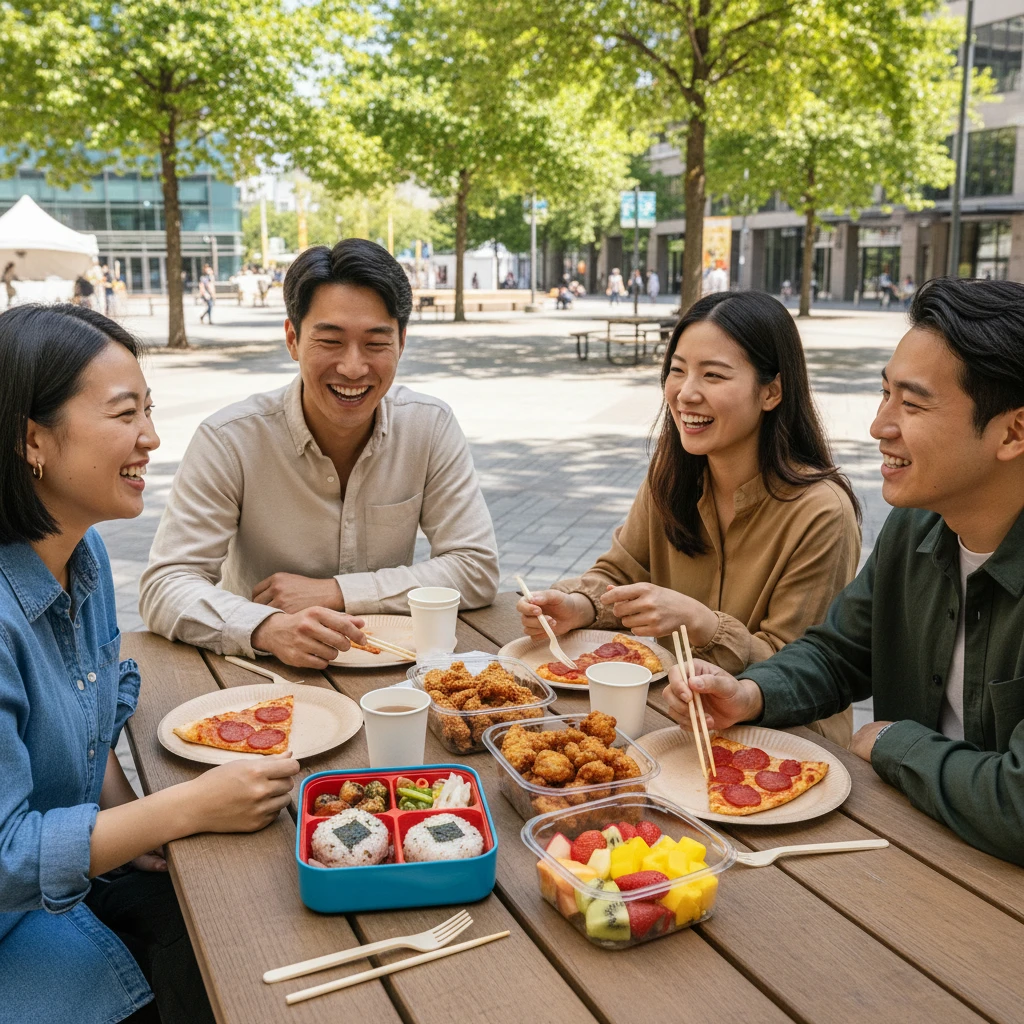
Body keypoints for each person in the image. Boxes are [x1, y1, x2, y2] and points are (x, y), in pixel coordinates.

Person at [0, 303, 301, 1023]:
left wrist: (130, 821)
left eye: (149, 409)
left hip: (73, 883)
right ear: (32, 439)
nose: (152, 437)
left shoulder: (85, 554)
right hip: (18, 924)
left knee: (248, 923)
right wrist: (184, 806)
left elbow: (92, 710)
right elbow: (7, 859)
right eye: (124, 413)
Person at [664, 278, 1024, 864]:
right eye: (885, 394)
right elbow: (839, 654)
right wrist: (749, 693)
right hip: (901, 841)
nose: (880, 426)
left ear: (1013, 432)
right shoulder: (915, 527)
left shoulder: (830, 509)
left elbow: (1018, 803)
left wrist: (894, 743)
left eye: (912, 404)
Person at [518, 290, 862, 746]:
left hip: (786, 743)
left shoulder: (822, 512)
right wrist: (578, 606)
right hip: (675, 720)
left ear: (771, 391)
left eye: (713, 375)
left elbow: (798, 671)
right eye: (677, 370)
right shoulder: (671, 475)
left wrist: (701, 623)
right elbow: (621, 572)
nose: (686, 393)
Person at [140, 239, 499, 668]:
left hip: (398, 668)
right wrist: (266, 627)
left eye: (376, 343)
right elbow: (166, 585)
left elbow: (475, 568)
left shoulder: (429, 426)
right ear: (292, 339)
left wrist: (339, 592)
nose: (353, 367)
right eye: (330, 341)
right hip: (266, 674)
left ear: (401, 342)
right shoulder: (229, 440)